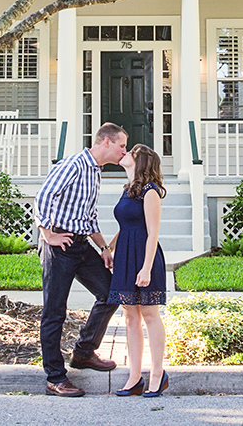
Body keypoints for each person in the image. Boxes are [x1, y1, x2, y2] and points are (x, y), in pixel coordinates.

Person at [33, 122, 129, 397]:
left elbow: (88, 216)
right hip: (58, 245)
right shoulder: (74, 164)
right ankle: (55, 377)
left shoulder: (95, 172)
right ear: (107, 142)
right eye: (122, 145)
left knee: (111, 293)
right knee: (55, 312)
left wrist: (103, 248)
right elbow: (43, 197)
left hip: (81, 244)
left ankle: (84, 353)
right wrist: (48, 234)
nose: (124, 151)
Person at [106, 144, 168, 397]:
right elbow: (128, 225)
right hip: (124, 257)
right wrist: (109, 247)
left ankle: (157, 374)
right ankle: (134, 377)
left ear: (140, 161)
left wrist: (146, 268)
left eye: (131, 151)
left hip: (144, 257)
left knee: (150, 315)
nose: (125, 153)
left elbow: (152, 232)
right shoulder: (127, 190)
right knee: (130, 317)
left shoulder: (150, 192)